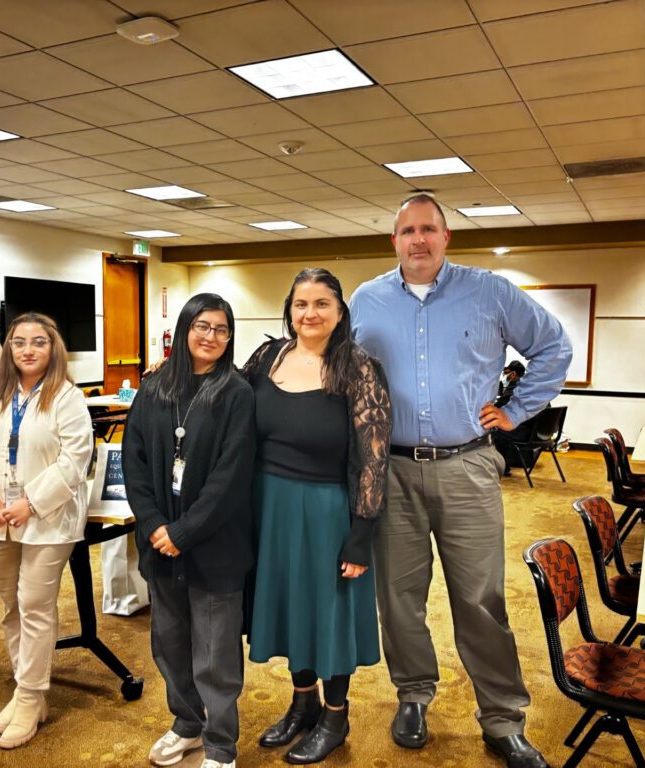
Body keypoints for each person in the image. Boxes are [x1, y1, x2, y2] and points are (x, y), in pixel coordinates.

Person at [349, 194, 572, 768]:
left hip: (467, 467)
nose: (418, 240)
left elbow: (553, 347)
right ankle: (414, 695)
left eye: (429, 229)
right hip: (390, 469)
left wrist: (517, 411)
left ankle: (502, 719)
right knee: (398, 598)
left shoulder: (490, 292)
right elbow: (339, 376)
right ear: (393, 241)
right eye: (407, 231)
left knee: (481, 599)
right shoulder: (366, 301)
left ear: (446, 237)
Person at [244, 268, 391, 765]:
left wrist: (361, 534)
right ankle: (302, 703)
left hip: (326, 509)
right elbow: (222, 400)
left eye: (322, 304)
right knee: (290, 606)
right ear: (289, 308)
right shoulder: (268, 357)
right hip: (269, 504)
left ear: (340, 312)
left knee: (328, 612)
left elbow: (374, 457)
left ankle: (335, 714)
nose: (310, 313)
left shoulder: (357, 367)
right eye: (301, 303)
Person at [122, 293, 256, 768]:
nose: (211, 337)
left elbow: (232, 476)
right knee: (170, 643)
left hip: (215, 545)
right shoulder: (155, 388)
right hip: (161, 545)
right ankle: (186, 723)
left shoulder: (237, 393)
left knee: (216, 654)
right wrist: (158, 525)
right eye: (202, 326)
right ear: (184, 330)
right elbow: (133, 463)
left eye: (221, 329)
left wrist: (185, 530)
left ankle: (221, 745)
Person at [0, 312, 92, 749]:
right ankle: (23, 686)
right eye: (18, 342)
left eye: (38, 342)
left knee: (35, 606)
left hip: (48, 520)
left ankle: (32, 696)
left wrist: (30, 502)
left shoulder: (67, 397)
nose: (28, 350)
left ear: (52, 348)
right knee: (9, 605)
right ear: (9, 349)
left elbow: (75, 461)